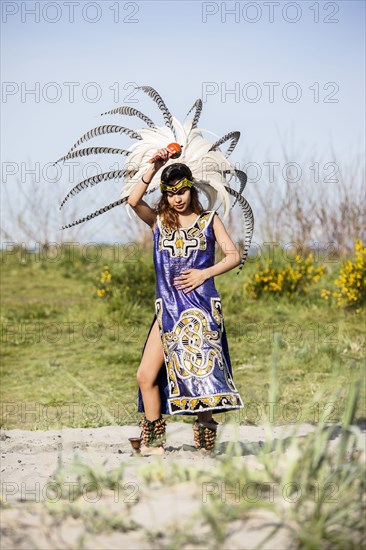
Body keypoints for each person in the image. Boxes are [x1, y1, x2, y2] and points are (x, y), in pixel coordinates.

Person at [127, 147, 244, 455]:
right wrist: (153, 167)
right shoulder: (158, 224)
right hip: (167, 311)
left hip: (201, 311)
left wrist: (204, 274)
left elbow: (234, 256)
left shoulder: (209, 220)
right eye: (170, 192)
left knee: (203, 379)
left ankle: (205, 447)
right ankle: (154, 444)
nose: (177, 197)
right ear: (164, 194)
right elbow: (133, 201)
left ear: (192, 188)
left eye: (182, 190)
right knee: (145, 375)